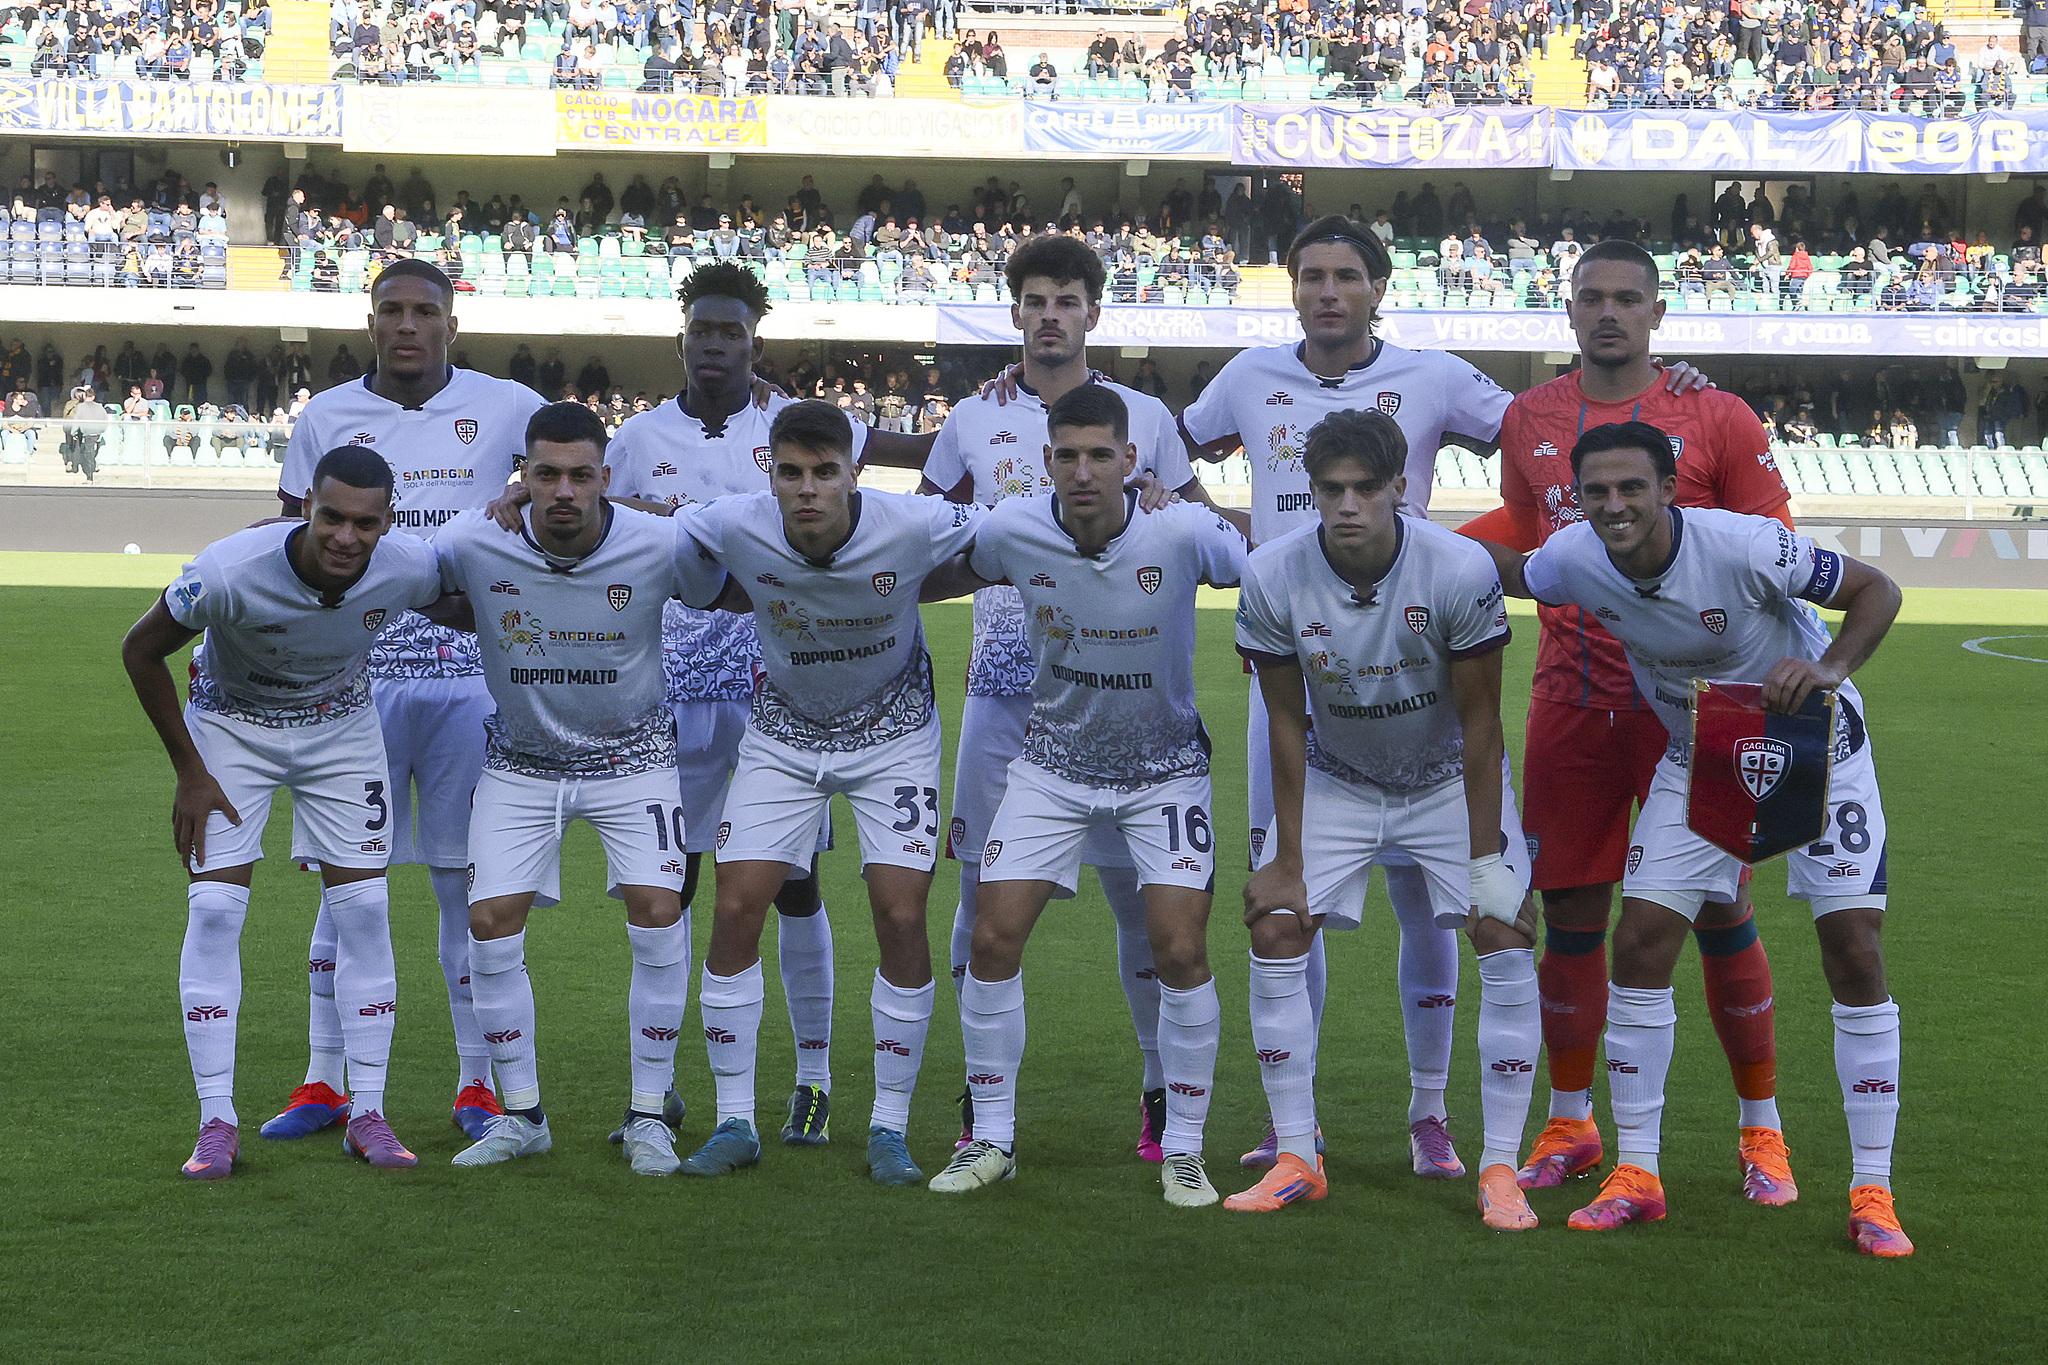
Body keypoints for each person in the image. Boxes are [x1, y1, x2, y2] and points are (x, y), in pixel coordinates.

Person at [1483, 419, 1911, 1258]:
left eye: (1631, 487)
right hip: (1702, 754)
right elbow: (1515, 572)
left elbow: (1879, 590)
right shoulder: (1572, 557)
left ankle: (1873, 1191)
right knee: (1640, 941)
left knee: (1855, 948)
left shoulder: (1746, 545)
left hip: (1818, 748)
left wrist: (1828, 669)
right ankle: (1637, 1173)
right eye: (1597, 491)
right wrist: (1408, 536)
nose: (1614, 505)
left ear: (1669, 489)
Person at [1457, 239, 1796, 1200]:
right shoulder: (1530, 416)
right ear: (1568, 311)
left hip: (1698, 710)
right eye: (1591, 297)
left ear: (1657, 312)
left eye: (1626, 298)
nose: (1608, 312)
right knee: (1569, 910)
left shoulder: (1715, 413)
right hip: (1572, 700)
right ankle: (1571, 1121)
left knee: (1721, 905)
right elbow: (1527, 535)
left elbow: (1775, 544)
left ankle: (1761, 1130)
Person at [1175, 215, 1513, 1178]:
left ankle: (1429, 1112)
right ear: (1292, 288)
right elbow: (1161, 444)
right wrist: (1219, 522)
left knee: (1431, 902)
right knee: (1290, 885)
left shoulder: (1433, 375)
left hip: (1412, 656)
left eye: (1346, 275)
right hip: (1291, 662)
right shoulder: (1249, 374)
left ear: (1378, 288)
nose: (1327, 291)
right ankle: (1300, 1123)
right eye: (1311, 275)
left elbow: (1539, 433)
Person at [920, 234, 1214, 1160]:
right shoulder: (973, 415)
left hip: (1123, 703)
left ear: (1093, 312)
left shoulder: (1145, 414)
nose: (1051, 315)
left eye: (1067, 300)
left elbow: (1198, 523)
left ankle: (1160, 1090)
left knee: (1142, 906)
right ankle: (982, 1105)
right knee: (979, 896)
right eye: (1036, 300)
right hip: (1004, 691)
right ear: (1015, 312)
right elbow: (927, 533)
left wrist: (1162, 497)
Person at [573, 263, 865, 1145]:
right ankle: (657, 1090)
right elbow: (595, 527)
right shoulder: (635, 438)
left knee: (795, 887)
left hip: (772, 695)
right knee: (669, 890)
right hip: (665, 697)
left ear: (754, 343)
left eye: (730, 332)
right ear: (682, 340)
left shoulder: (788, 431)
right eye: (702, 330)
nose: (714, 345)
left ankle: (812, 1079)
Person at [1227, 409, 1540, 1229]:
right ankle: (1298, 1153)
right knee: (1275, 923)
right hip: (1339, 777)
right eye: (1331, 489)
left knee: (1504, 928)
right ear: (1310, 490)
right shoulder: (1271, 572)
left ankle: (1500, 1167)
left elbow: (1482, 723)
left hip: (1445, 779)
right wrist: (1286, 857)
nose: (1348, 505)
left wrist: (1487, 863)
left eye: (1366, 488)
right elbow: (1283, 719)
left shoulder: (1459, 567)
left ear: (1401, 486)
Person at [265, 259, 547, 1145]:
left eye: (426, 310)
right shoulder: (324, 415)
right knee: (343, 885)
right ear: (371, 321)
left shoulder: (508, 404)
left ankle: (478, 1084)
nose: (408, 325)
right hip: (356, 681)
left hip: (472, 680)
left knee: (468, 887)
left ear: (452, 324)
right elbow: (292, 541)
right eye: (392, 309)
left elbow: (574, 472)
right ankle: (324, 1077)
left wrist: (526, 491)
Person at [669, 400, 982, 1186]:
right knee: (736, 906)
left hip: (895, 734)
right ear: (768, 474)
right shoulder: (734, 523)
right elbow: (649, 529)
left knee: (900, 913)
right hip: (783, 735)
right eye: (790, 473)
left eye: (823, 472)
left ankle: (889, 1128)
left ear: (853, 473)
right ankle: (736, 1120)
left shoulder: (913, 524)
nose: (806, 488)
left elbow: (1011, 534)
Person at [120, 447, 452, 1179]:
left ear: (387, 523)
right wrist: (190, 772)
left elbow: (473, 592)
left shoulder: (408, 566)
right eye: (331, 517)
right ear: (305, 507)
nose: (346, 537)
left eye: (365, 524)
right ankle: (215, 1121)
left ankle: (367, 1111)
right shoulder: (229, 569)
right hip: (231, 729)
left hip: (342, 731)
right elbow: (140, 650)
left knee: (365, 910)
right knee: (214, 911)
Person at [434, 401, 723, 1175]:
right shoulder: (475, 539)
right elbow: (401, 574)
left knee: (658, 911)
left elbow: (728, 560)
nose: (564, 490)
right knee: (488, 922)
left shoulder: (659, 542)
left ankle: (649, 1114)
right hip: (521, 763)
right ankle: (522, 1115)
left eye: (581, 476)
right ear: (522, 476)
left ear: (605, 477)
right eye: (546, 474)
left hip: (635, 761)